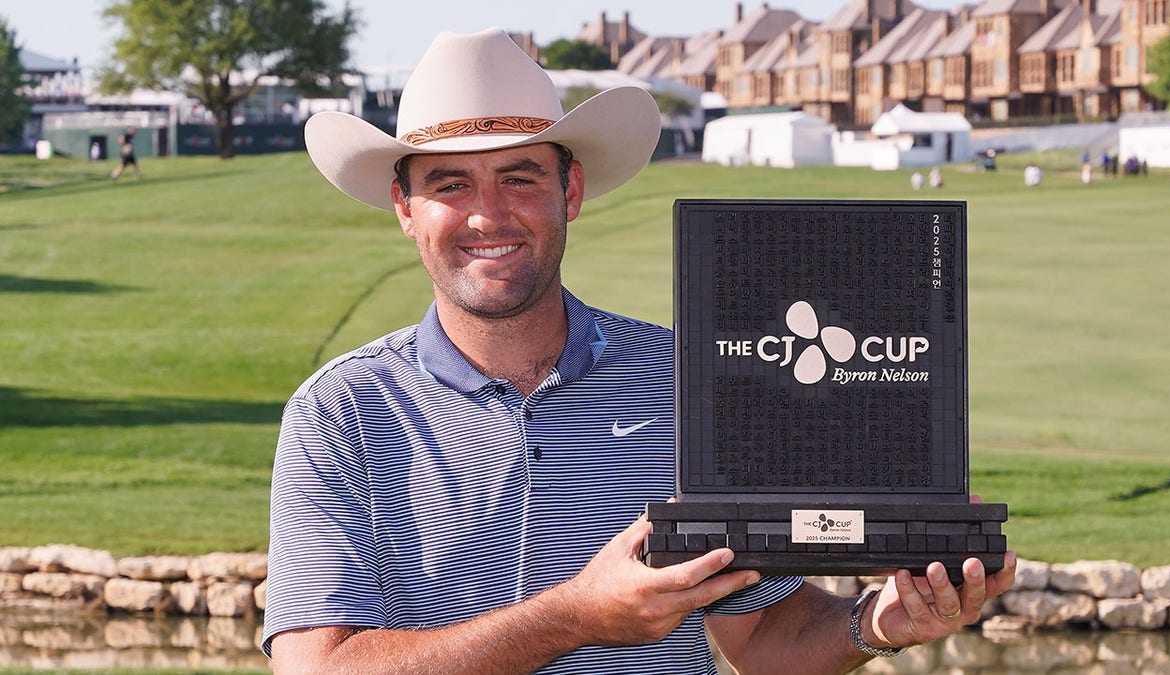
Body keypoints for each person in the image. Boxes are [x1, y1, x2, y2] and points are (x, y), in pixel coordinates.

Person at [264, 28, 1016, 674]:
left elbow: (760, 633)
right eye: (451, 184)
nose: (488, 214)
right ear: (406, 208)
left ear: (570, 191)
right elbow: (318, 666)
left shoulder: (693, 379)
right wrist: (574, 616)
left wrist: (873, 623)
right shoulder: (338, 412)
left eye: (520, 177)